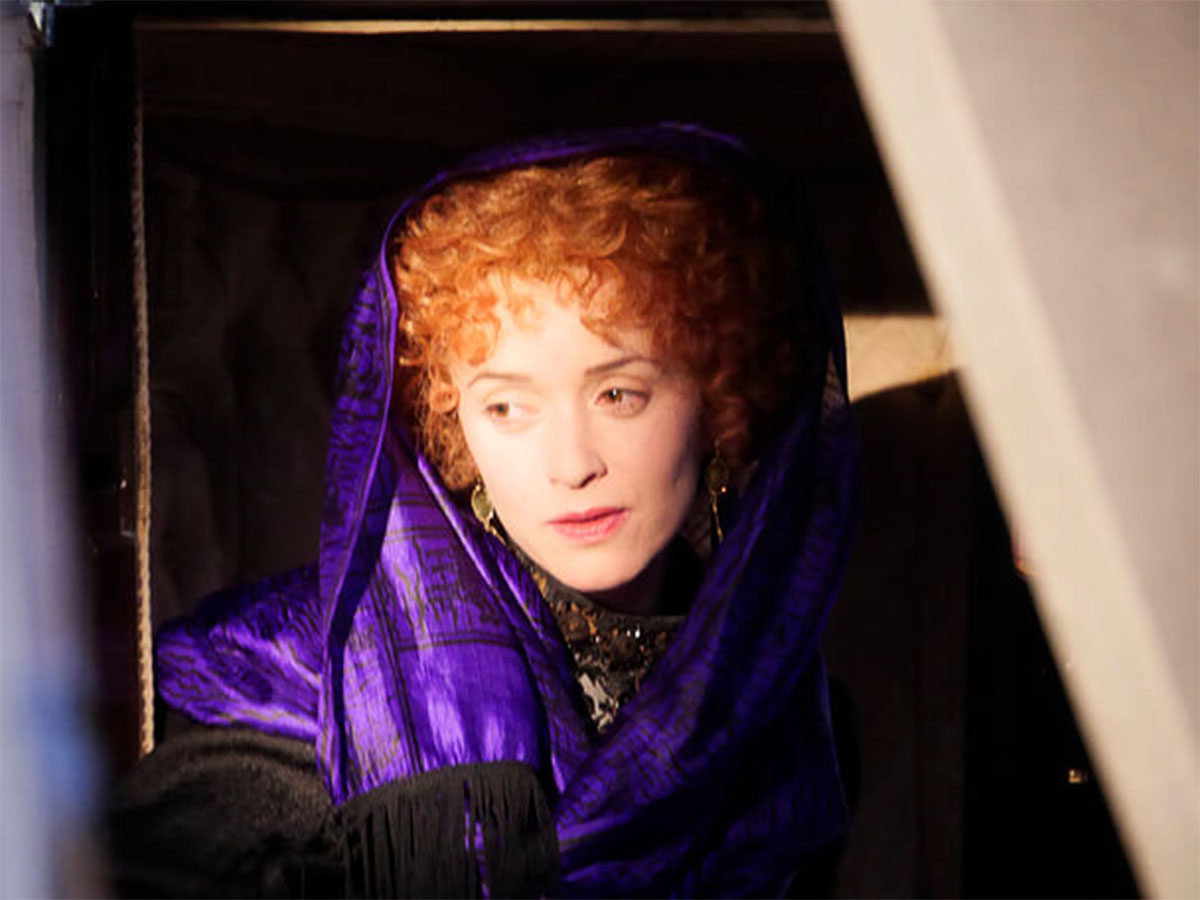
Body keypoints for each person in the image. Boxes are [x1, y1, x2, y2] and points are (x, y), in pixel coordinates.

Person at [107, 123, 859, 898]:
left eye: (619, 394)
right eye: (507, 407)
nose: (572, 465)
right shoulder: (315, 683)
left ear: (720, 403)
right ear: (452, 425)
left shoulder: (790, 719)